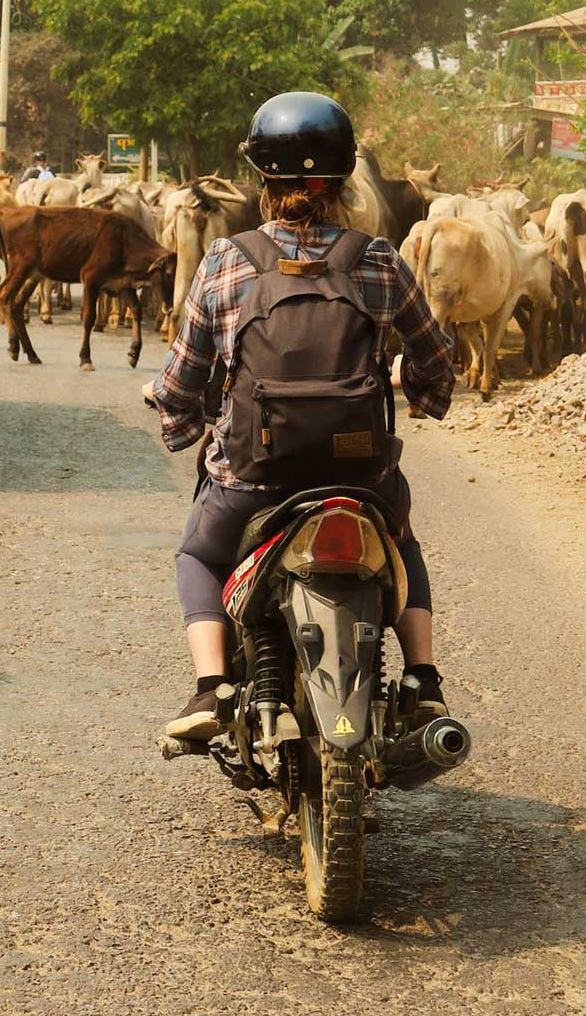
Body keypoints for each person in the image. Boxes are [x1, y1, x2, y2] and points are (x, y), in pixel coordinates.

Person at [145, 92, 456, 741]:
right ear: (346, 181)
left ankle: (209, 687)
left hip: (253, 478)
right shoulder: (377, 258)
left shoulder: (228, 261)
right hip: (360, 478)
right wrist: (415, 386)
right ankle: (425, 679)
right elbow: (435, 357)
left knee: (198, 555)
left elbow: (183, 379)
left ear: (261, 180)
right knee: (402, 539)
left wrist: (173, 410)